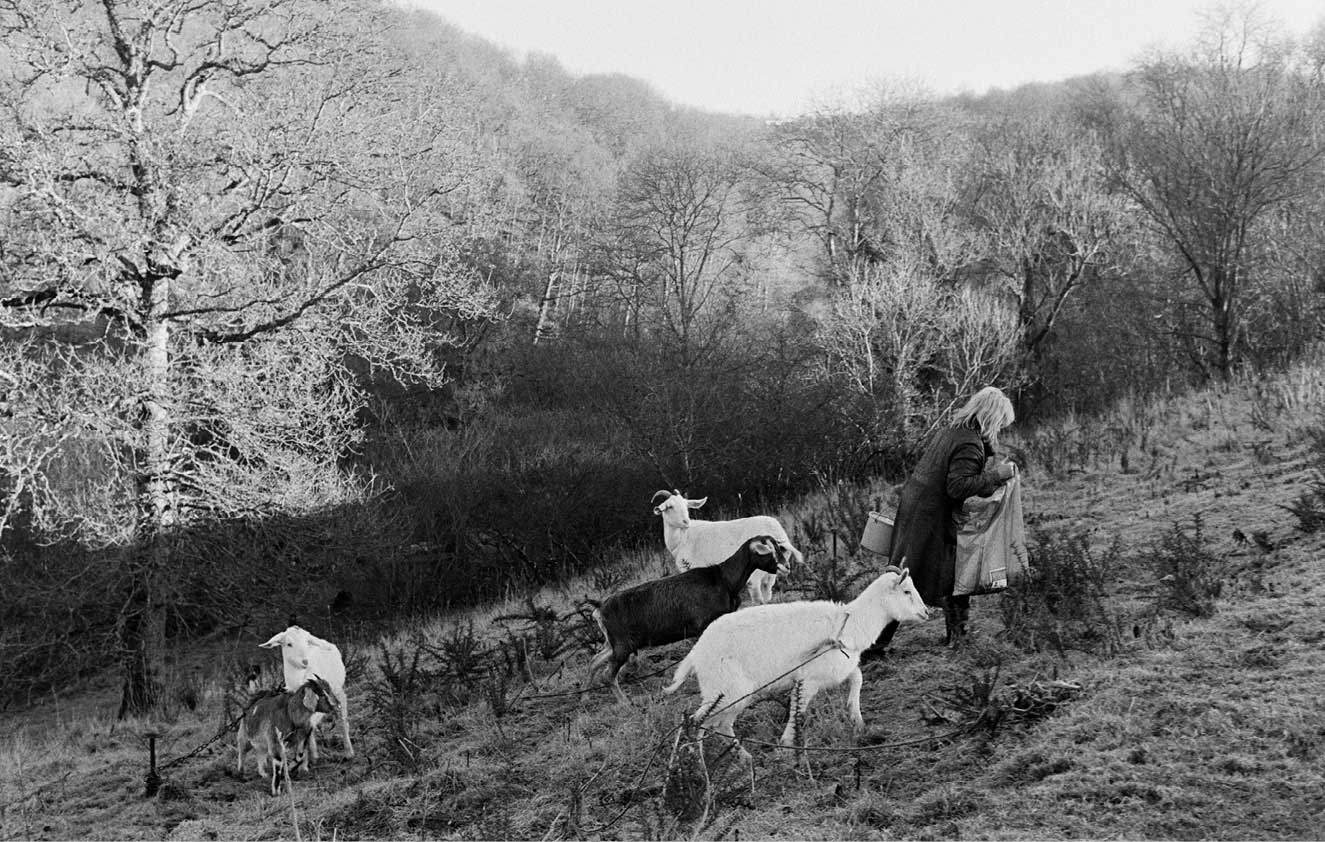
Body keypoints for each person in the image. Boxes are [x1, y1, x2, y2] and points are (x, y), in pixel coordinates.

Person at [866, 386, 1018, 656]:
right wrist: (998, 474)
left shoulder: (952, 432)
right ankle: (873, 646)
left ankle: (956, 637)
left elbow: (960, 480)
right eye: (1000, 424)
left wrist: (992, 473)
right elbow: (958, 487)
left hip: (918, 509)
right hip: (931, 518)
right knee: (910, 579)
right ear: (991, 418)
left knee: (936, 573)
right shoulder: (969, 443)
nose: (1000, 430)